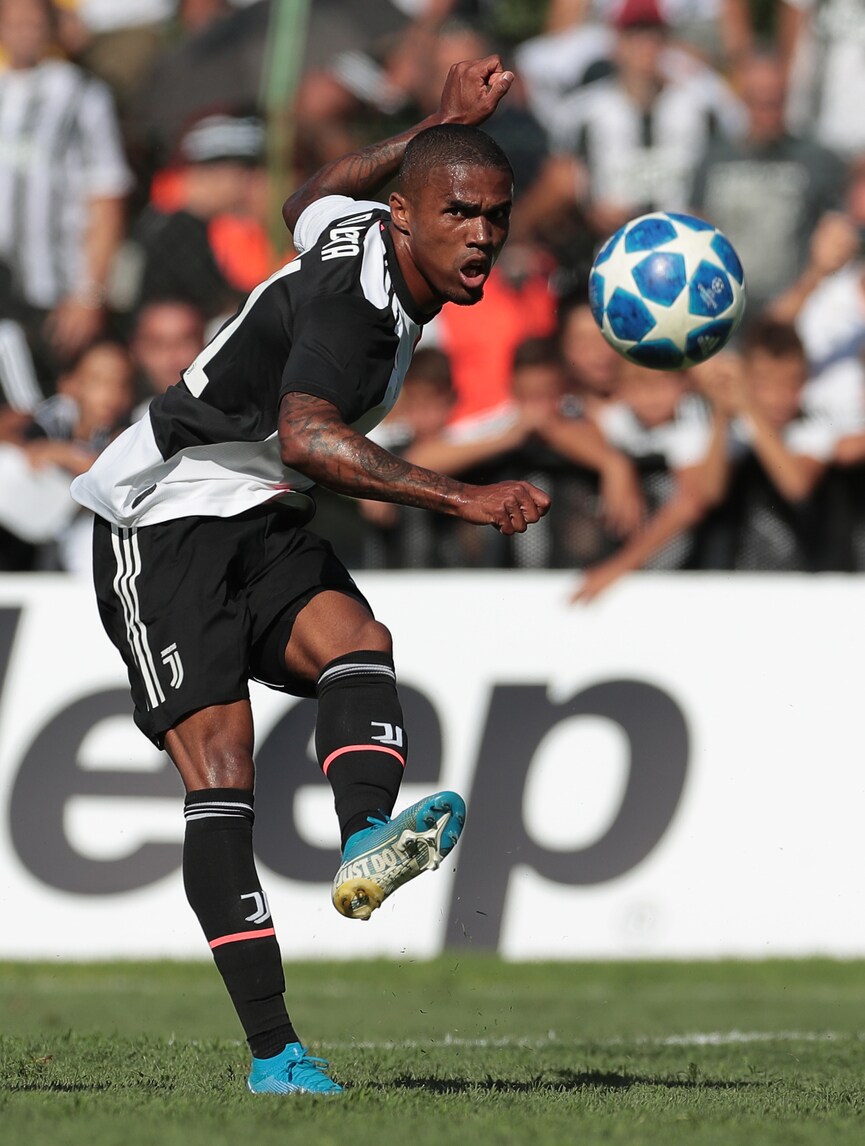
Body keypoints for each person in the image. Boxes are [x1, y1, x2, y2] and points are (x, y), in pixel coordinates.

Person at [70, 56, 550, 1097]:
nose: (481, 235)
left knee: (359, 646)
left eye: (494, 216)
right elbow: (308, 438)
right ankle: (275, 1055)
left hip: (259, 508)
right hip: (165, 512)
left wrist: (433, 126)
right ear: (406, 219)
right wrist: (462, 497)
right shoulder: (353, 311)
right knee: (222, 770)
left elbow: (308, 199)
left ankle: (367, 839)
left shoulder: (359, 226)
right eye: (459, 213)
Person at [0, 0, 132, 384]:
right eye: (13, 21)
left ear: (51, 26)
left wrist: (90, 293)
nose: (23, 31)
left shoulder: (82, 93)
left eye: (32, 21)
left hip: (55, 289)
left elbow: (106, 192)